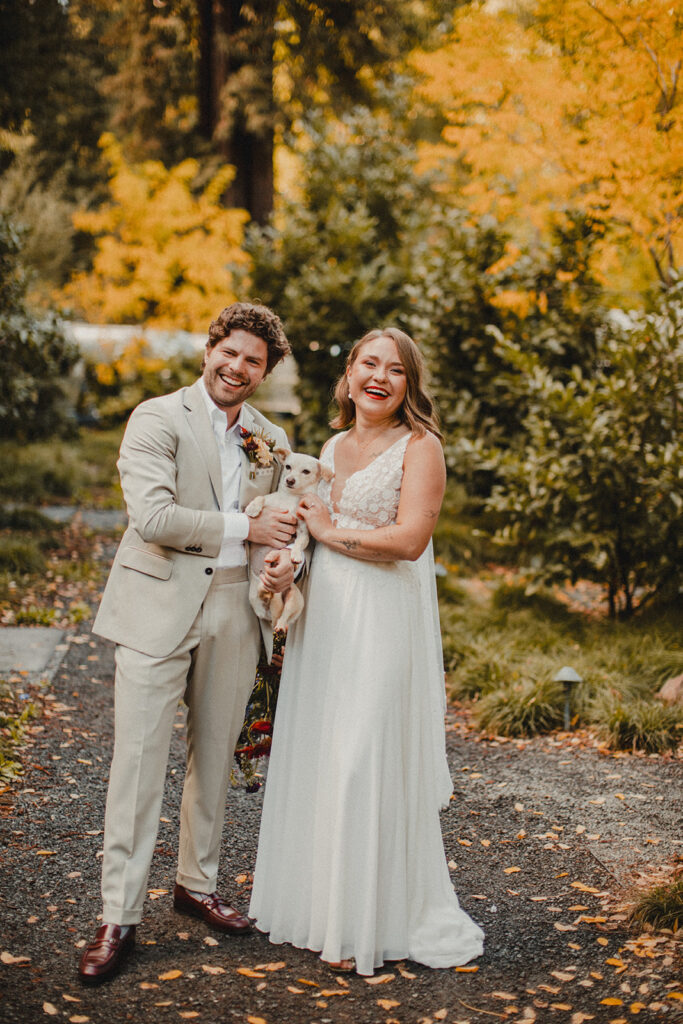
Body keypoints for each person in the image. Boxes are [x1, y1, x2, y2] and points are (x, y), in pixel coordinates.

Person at [249, 327, 485, 975]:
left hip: (382, 618)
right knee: (323, 755)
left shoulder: (421, 447)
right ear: (348, 375)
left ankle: (376, 915)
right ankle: (324, 909)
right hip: (325, 619)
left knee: (362, 756)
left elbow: (409, 541)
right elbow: (310, 536)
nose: (380, 376)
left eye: (396, 369)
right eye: (368, 364)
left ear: (409, 384)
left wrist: (328, 528)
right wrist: (286, 563)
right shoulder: (329, 446)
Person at [78, 302, 298, 985]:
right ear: (210, 349)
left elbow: (281, 525)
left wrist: (282, 560)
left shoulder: (271, 438)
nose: (236, 367)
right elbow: (154, 518)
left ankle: (196, 884)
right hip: (156, 607)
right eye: (229, 352)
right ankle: (118, 915)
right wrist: (247, 528)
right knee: (138, 762)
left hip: (237, 609)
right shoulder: (155, 417)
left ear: (265, 371)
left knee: (213, 756)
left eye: (252, 361)